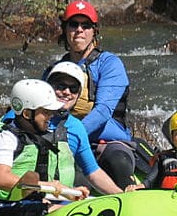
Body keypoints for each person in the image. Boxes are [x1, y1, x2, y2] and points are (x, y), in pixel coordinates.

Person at [0, 79, 92, 216]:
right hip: (6, 212)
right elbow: (0, 178)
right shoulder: (6, 138)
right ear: (27, 113)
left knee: (84, 205)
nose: (51, 116)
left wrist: (68, 192)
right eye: (46, 112)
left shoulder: (42, 138)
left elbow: (39, 188)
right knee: (70, 212)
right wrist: (48, 185)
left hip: (36, 206)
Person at [51, 0, 137, 188]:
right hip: (66, 141)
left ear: (94, 31)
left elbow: (103, 111)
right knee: (72, 175)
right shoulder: (55, 70)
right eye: (74, 24)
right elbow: (37, 108)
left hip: (107, 141)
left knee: (119, 162)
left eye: (86, 25)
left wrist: (69, 137)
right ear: (65, 30)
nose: (79, 30)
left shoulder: (109, 64)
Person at [44, 61, 123, 195]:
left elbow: (93, 172)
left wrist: (123, 196)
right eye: (61, 86)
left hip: (61, 200)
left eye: (73, 88)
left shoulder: (76, 127)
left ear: (79, 94)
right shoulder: (26, 118)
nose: (67, 92)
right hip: (29, 200)